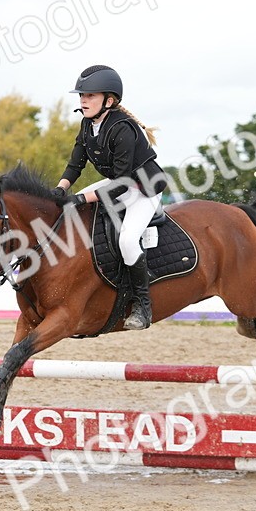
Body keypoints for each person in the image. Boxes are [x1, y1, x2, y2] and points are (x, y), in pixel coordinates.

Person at [52, 65, 166, 331]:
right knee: (73, 207)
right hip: (120, 182)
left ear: (109, 101)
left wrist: (82, 199)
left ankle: (143, 306)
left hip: (144, 187)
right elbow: (75, 165)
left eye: (90, 95)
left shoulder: (122, 128)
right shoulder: (87, 124)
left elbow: (123, 183)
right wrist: (60, 189)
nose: (83, 100)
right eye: (82, 95)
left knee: (127, 240)